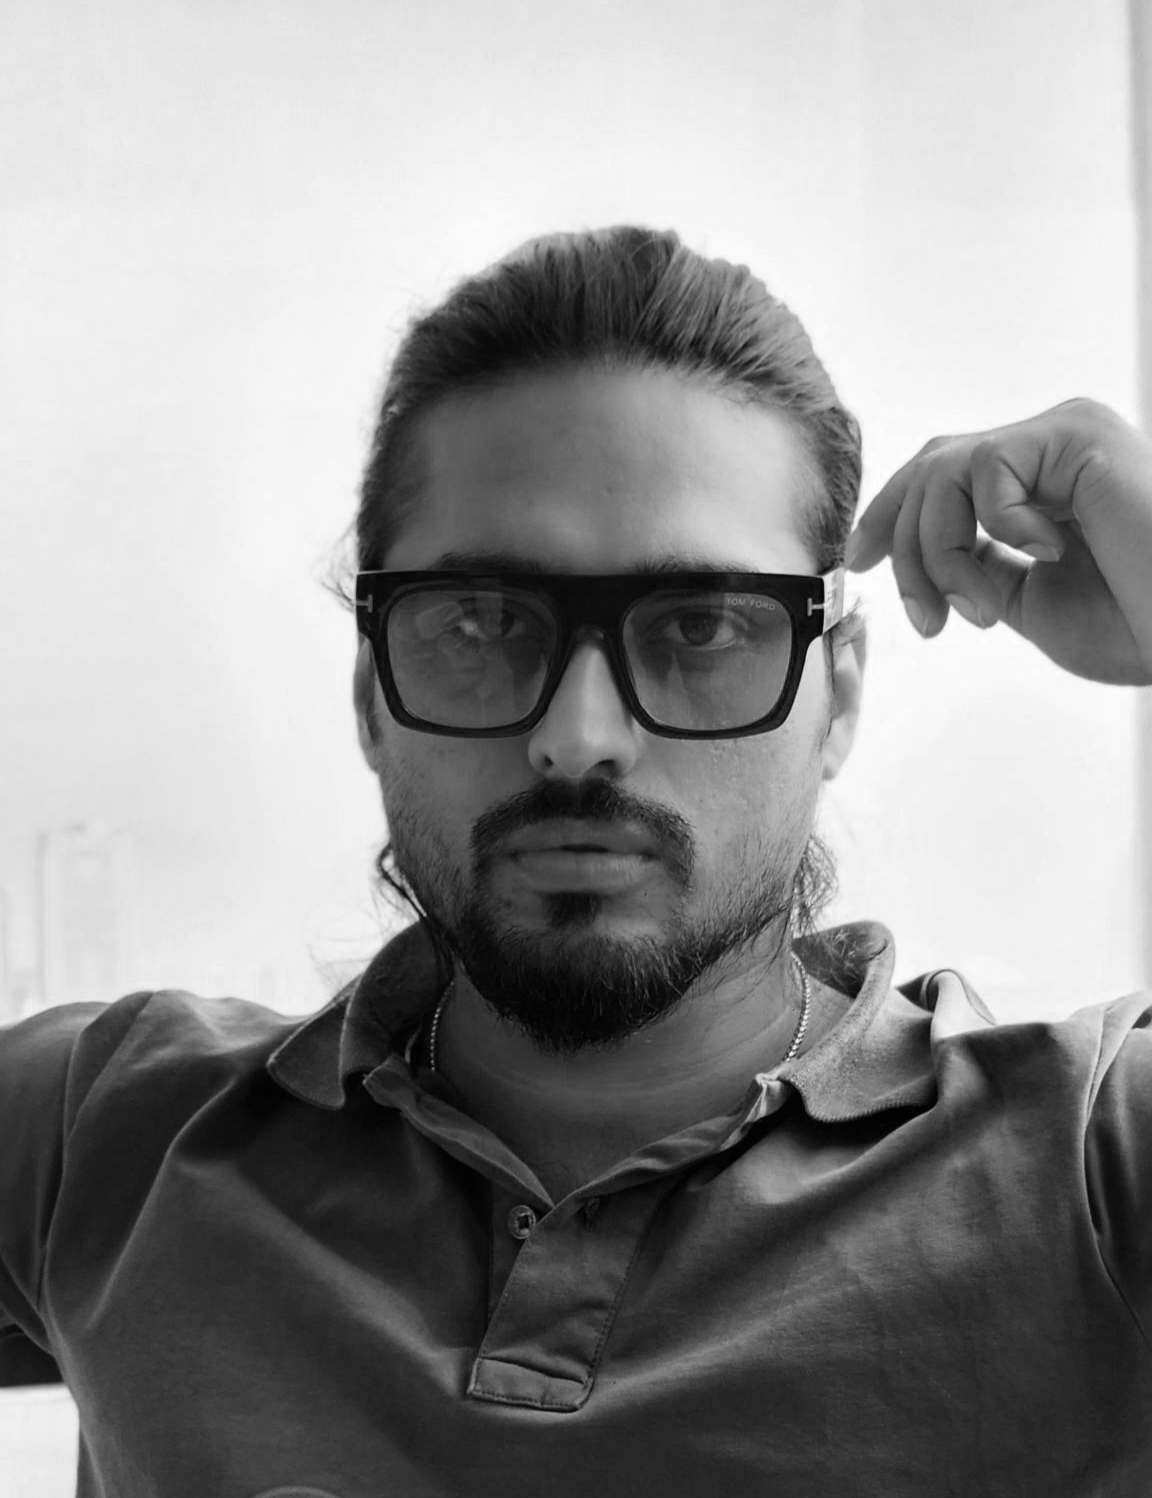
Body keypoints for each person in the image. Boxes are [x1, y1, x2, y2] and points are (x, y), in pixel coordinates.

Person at [2, 225, 1150, 1498]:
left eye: (702, 626)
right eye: (479, 622)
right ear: (371, 695)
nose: (578, 736)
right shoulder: (103, 1134)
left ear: (839, 695)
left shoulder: (1096, 1171)